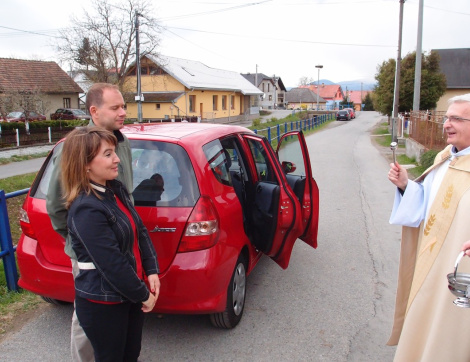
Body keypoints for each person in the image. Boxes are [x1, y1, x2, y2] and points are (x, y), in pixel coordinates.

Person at [46, 83, 133, 361]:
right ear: (94, 111)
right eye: (116, 107)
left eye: (123, 105)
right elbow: (57, 207)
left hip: (119, 244)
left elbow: (125, 192)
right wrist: (81, 238)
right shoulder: (75, 147)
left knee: (118, 310)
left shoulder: (121, 140)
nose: (123, 112)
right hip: (91, 253)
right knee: (88, 317)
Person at [61, 127, 160, 362]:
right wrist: (143, 294)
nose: (117, 159)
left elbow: (139, 230)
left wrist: (152, 268)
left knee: (130, 355)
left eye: (114, 152)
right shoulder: (86, 208)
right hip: (104, 303)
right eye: (107, 154)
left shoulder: (114, 189)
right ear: (85, 164)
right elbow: (111, 263)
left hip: (129, 294)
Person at [387, 93, 470, 361]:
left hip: (459, 271)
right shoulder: (446, 158)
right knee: (423, 323)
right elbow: (428, 203)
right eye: (446, 117)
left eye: (456, 118)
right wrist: (405, 185)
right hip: (431, 262)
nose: (446, 124)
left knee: (447, 337)